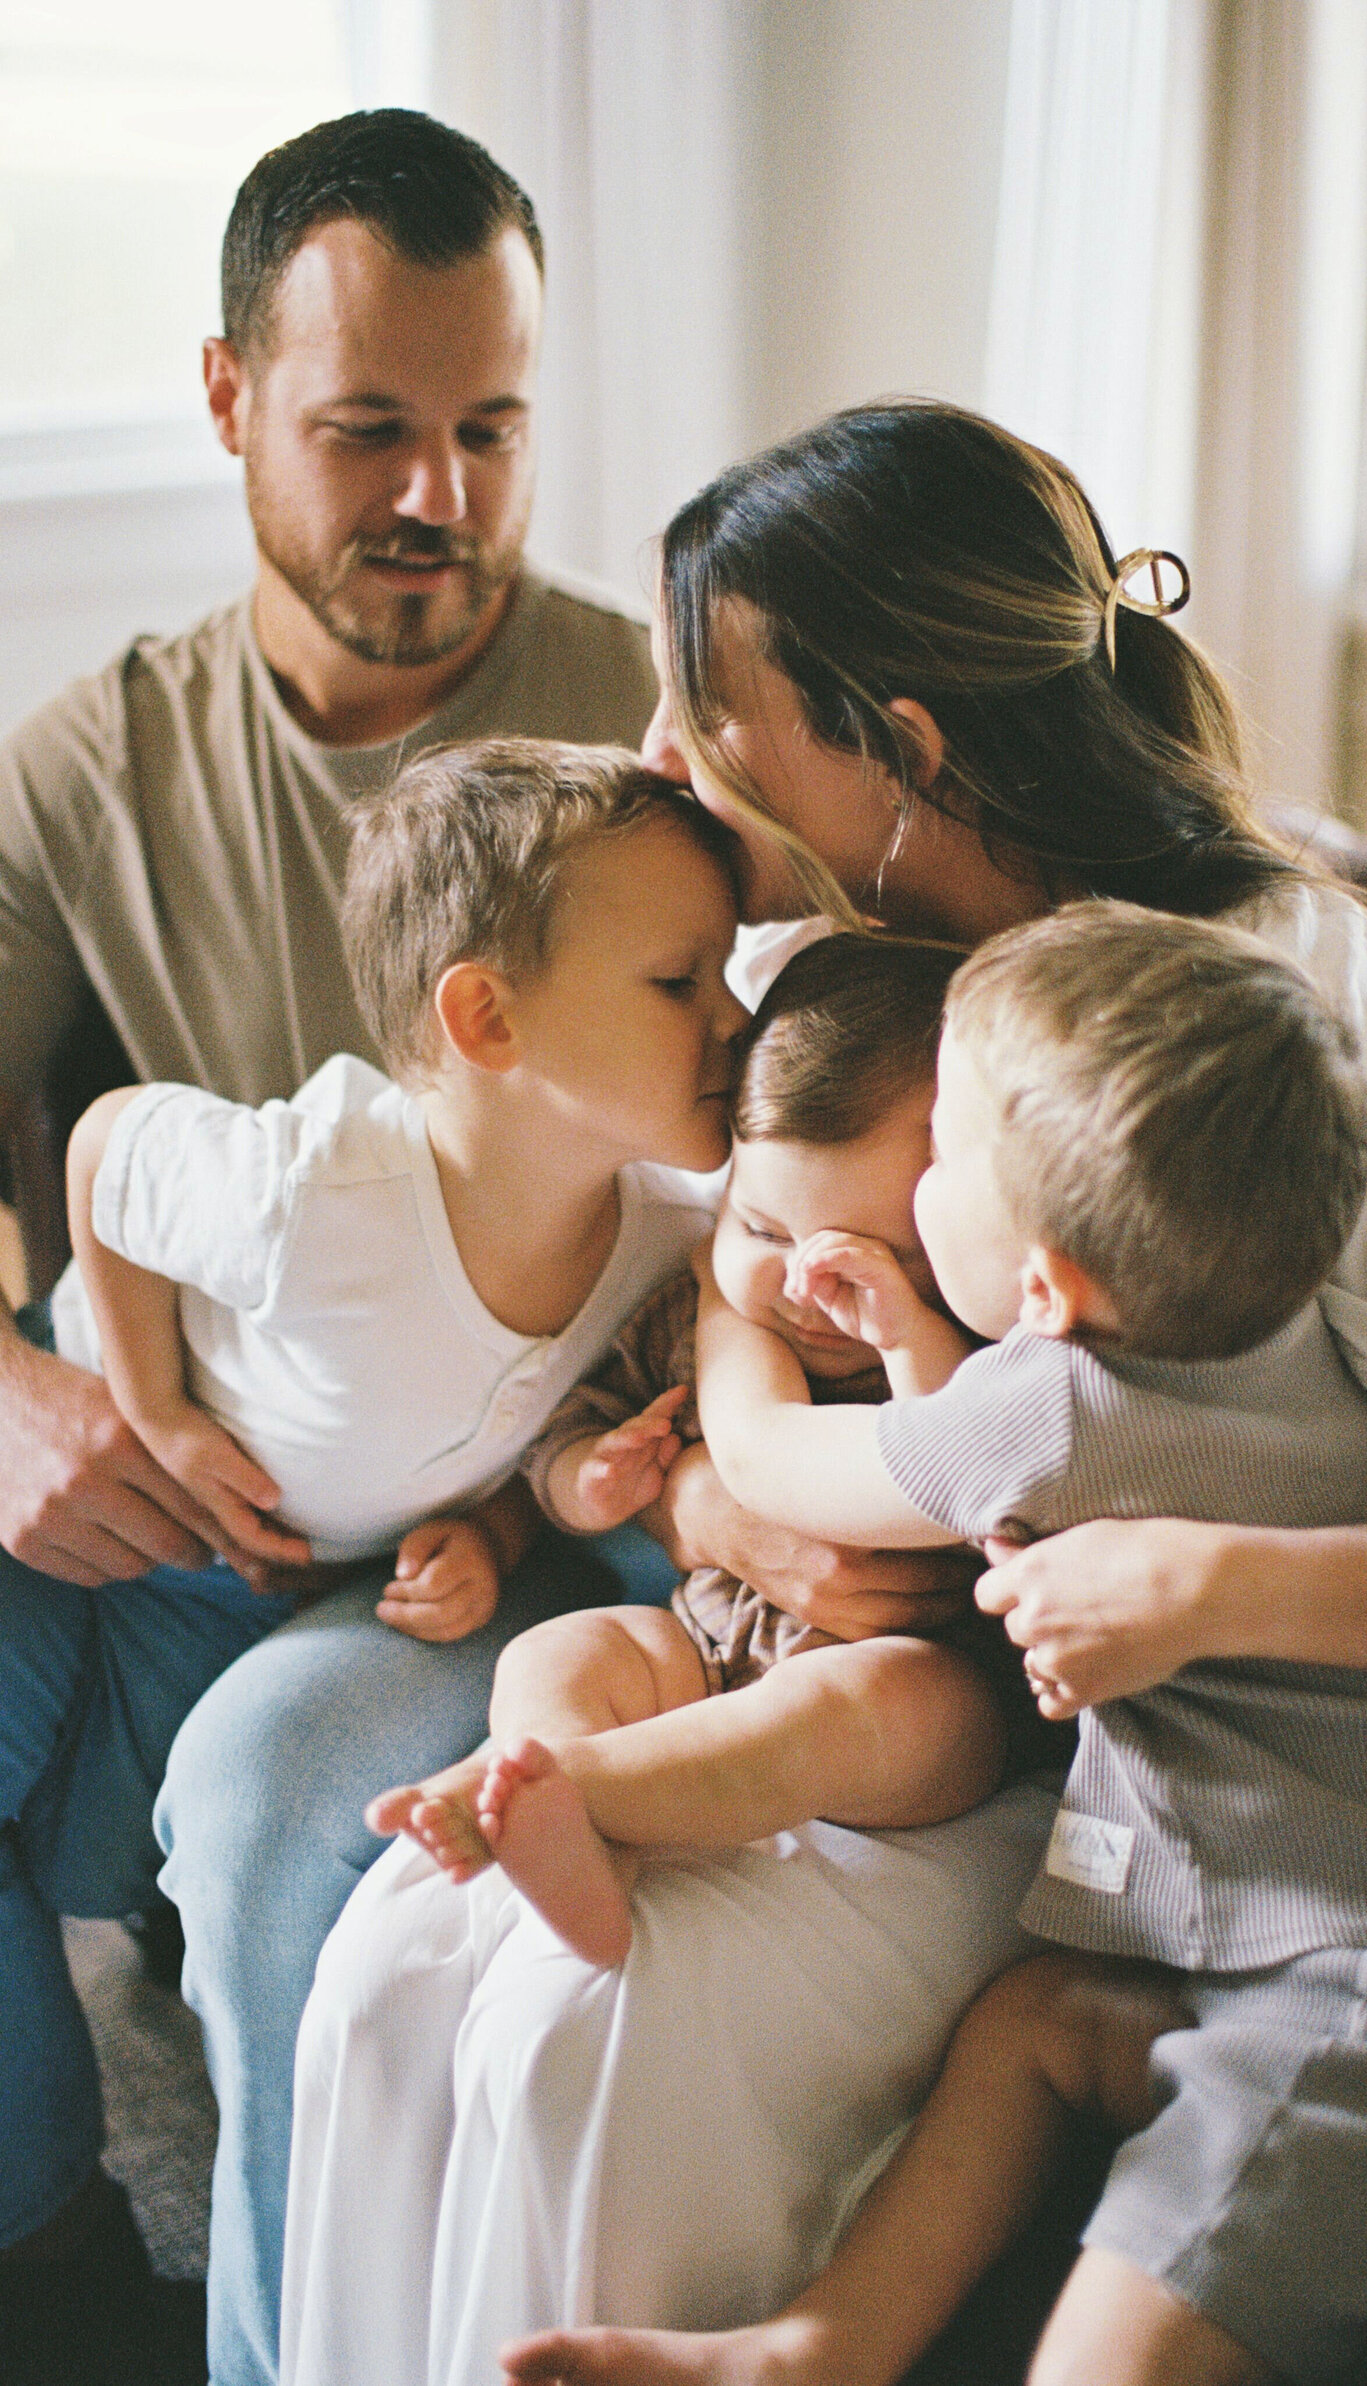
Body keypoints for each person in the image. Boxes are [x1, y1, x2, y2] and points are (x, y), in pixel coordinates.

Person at [281, 400, 1367, 2386]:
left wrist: (1203, 1585)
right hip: (820, 1646)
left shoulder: (1244, 997)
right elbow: (726, 1300)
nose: (668, 757)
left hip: (1109, 1768)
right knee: (390, 1960)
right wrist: (718, 1502)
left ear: (893, 740)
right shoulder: (820, 946)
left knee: (582, 2030)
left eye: (711, 709)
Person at [511, 901, 1367, 2386]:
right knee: (1031, 2028)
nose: (925, 1172)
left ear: (1043, 1290)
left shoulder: (1048, 1409)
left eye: (944, 1151)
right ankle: (811, 2348)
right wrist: (893, 1320)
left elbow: (766, 1464)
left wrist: (727, 1274)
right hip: (1352, 1965)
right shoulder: (1278, 1336)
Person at [0, 105, 666, 2386]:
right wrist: (18, 1385)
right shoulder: (92, 768)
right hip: (295, 1512)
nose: (439, 501)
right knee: (163, 1730)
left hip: (587, 1504)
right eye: (368, 427)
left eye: (490, 429)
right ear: (224, 399)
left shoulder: (641, 738)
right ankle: (137, 2279)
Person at [363, 932, 1029, 1969]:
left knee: (851, 1705)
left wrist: (906, 1333)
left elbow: (973, 1468)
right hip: (706, 1649)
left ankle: (575, 1788)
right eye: (763, 1231)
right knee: (562, 1653)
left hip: (927, 1683)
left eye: (875, 1256)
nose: (806, 1286)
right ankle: (570, 1822)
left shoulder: (980, 1345)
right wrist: (589, 1480)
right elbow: (566, 1439)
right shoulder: (692, 1321)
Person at [64, 739, 741, 1656]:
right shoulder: (315, 1199)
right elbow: (106, 1146)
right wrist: (155, 1413)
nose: (736, 1018)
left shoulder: (673, 1232)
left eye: (730, 974)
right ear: (488, 1020)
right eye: (678, 981)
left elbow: (529, 1424)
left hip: (279, 1579)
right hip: (95, 1482)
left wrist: (490, 1535)